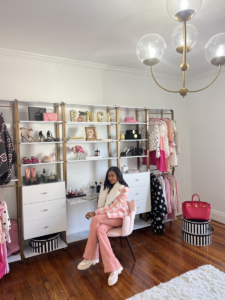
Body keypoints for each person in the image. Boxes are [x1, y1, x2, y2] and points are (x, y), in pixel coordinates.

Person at [77, 166, 129, 286]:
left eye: (112, 175)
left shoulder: (124, 189)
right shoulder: (107, 186)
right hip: (109, 217)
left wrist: (94, 212)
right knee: (100, 230)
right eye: (108, 176)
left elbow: (113, 208)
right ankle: (113, 267)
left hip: (119, 218)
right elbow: (105, 203)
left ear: (118, 176)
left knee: (95, 219)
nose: (110, 178)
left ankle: (90, 256)